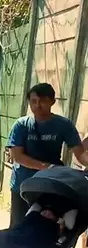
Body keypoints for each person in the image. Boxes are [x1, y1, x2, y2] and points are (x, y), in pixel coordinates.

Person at [7, 83, 88, 229]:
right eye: (33, 101)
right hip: (23, 185)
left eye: (43, 101)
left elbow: (80, 154)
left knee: (52, 229)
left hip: (50, 187)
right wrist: (47, 167)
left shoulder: (64, 125)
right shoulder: (21, 125)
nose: (38, 105)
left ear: (52, 101)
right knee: (18, 228)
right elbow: (18, 156)